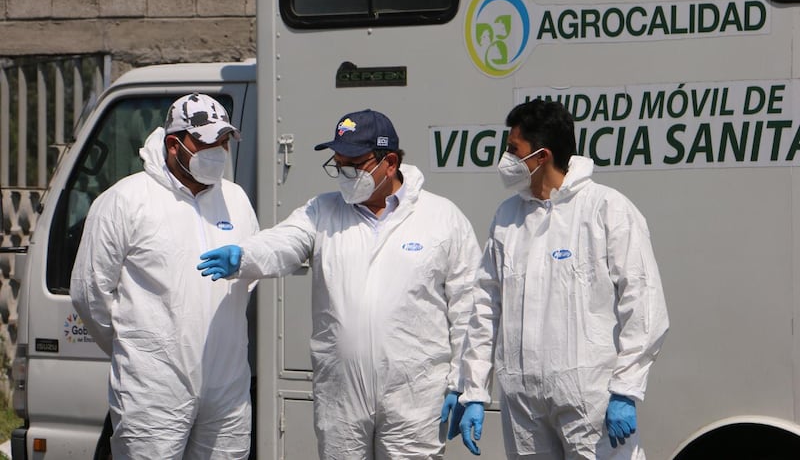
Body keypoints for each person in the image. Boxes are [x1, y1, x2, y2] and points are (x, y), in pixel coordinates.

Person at [197, 108, 483, 459]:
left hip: (416, 396)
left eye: (354, 164)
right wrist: (245, 256)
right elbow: (284, 242)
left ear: (389, 162)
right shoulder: (323, 211)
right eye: (338, 163)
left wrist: (467, 385)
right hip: (341, 398)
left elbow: (468, 307)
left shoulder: (442, 218)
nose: (344, 174)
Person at [456, 99, 669, 459]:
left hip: (589, 397)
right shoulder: (508, 218)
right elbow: (484, 310)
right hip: (522, 401)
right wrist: (475, 390)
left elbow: (644, 303)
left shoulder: (605, 209)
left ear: (541, 156)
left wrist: (626, 388)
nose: (505, 159)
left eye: (513, 150)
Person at [70, 93, 260, 459]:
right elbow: (90, 293)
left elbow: (246, 283)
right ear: (174, 145)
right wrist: (139, 349)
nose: (218, 151)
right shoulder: (124, 201)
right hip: (152, 391)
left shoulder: (236, 200)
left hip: (227, 389)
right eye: (207, 142)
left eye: (223, 142)